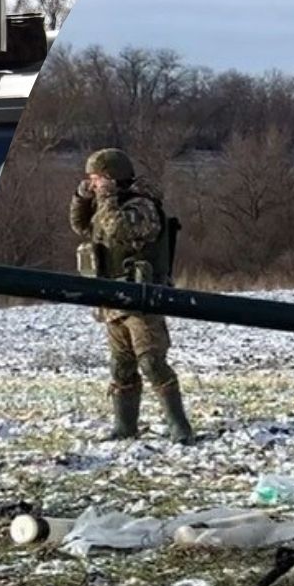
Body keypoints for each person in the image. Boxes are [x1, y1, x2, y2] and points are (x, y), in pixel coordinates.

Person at [68, 147, 194, 444]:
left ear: (113, 179)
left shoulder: (143, 206)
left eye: (98, 178)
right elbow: (80, 226)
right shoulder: (105, 206)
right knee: (121, 366)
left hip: (141, 299)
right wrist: (82, 196)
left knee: (151, 361)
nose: (94, 184)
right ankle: (125, 426)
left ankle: (180, 427)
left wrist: (107, 198)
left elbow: (117, 231)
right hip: (112, 300)